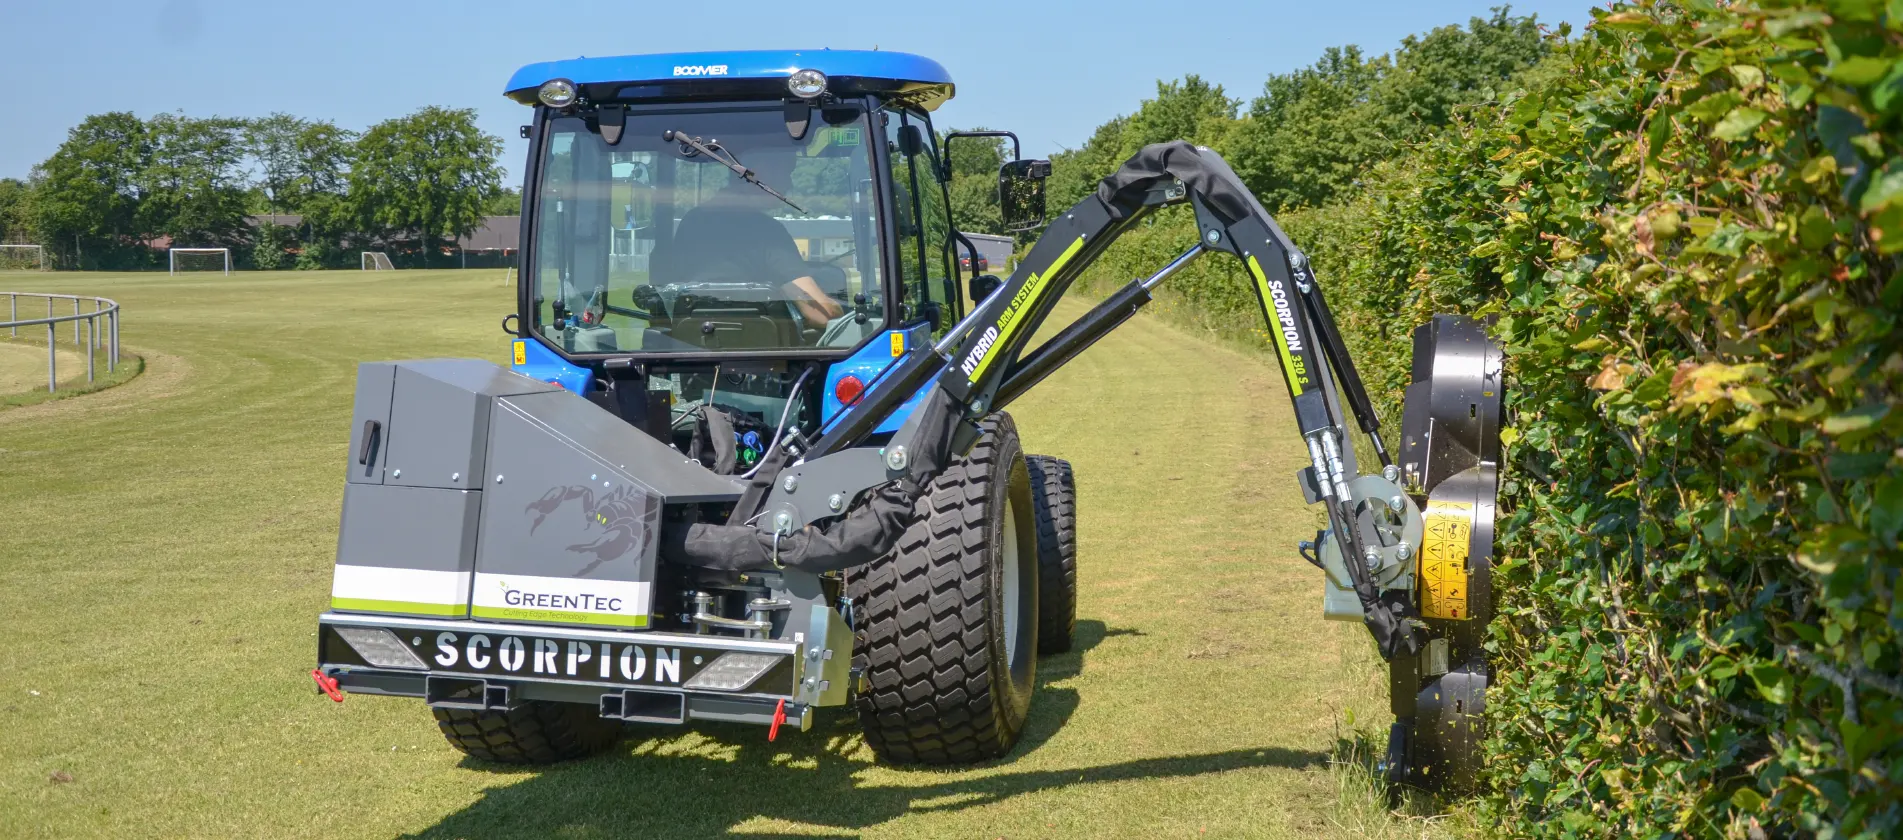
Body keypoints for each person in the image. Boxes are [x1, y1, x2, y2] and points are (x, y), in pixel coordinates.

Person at [665, 150, 844, 329]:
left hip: (693, 346)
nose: (789, 183)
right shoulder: (766, 232)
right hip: (760, 351)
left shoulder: (691, 222)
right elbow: (821, 314)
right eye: (785, 173)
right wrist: (853, 316)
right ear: (757, 172)